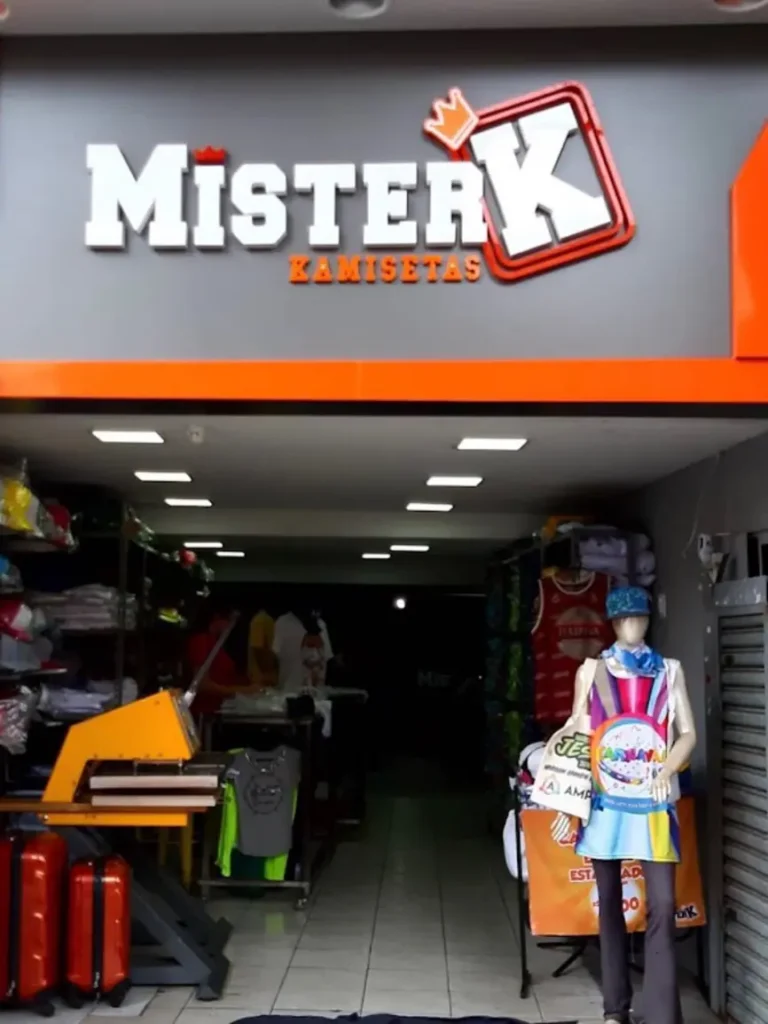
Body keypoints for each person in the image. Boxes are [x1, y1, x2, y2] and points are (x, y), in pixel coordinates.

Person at [187, 609, 252, 716]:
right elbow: (202, 684)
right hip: (205, 713)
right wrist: (242, 691)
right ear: (217, 618)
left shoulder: (217, 644)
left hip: (220, 710)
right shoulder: (201, 641)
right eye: (229, 621)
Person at [272, 604, 333, 693]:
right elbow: (274, 659)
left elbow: (325, 657)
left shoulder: (321, 625)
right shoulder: (282, 623)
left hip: (317, 695)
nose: (314, 653)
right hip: (289, 693)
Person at [247, 607, 278, 690]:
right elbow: (258, 650)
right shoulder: (261, 620)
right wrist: (268, 676)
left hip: (272, 682)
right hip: (263, 683)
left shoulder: (274, 621)